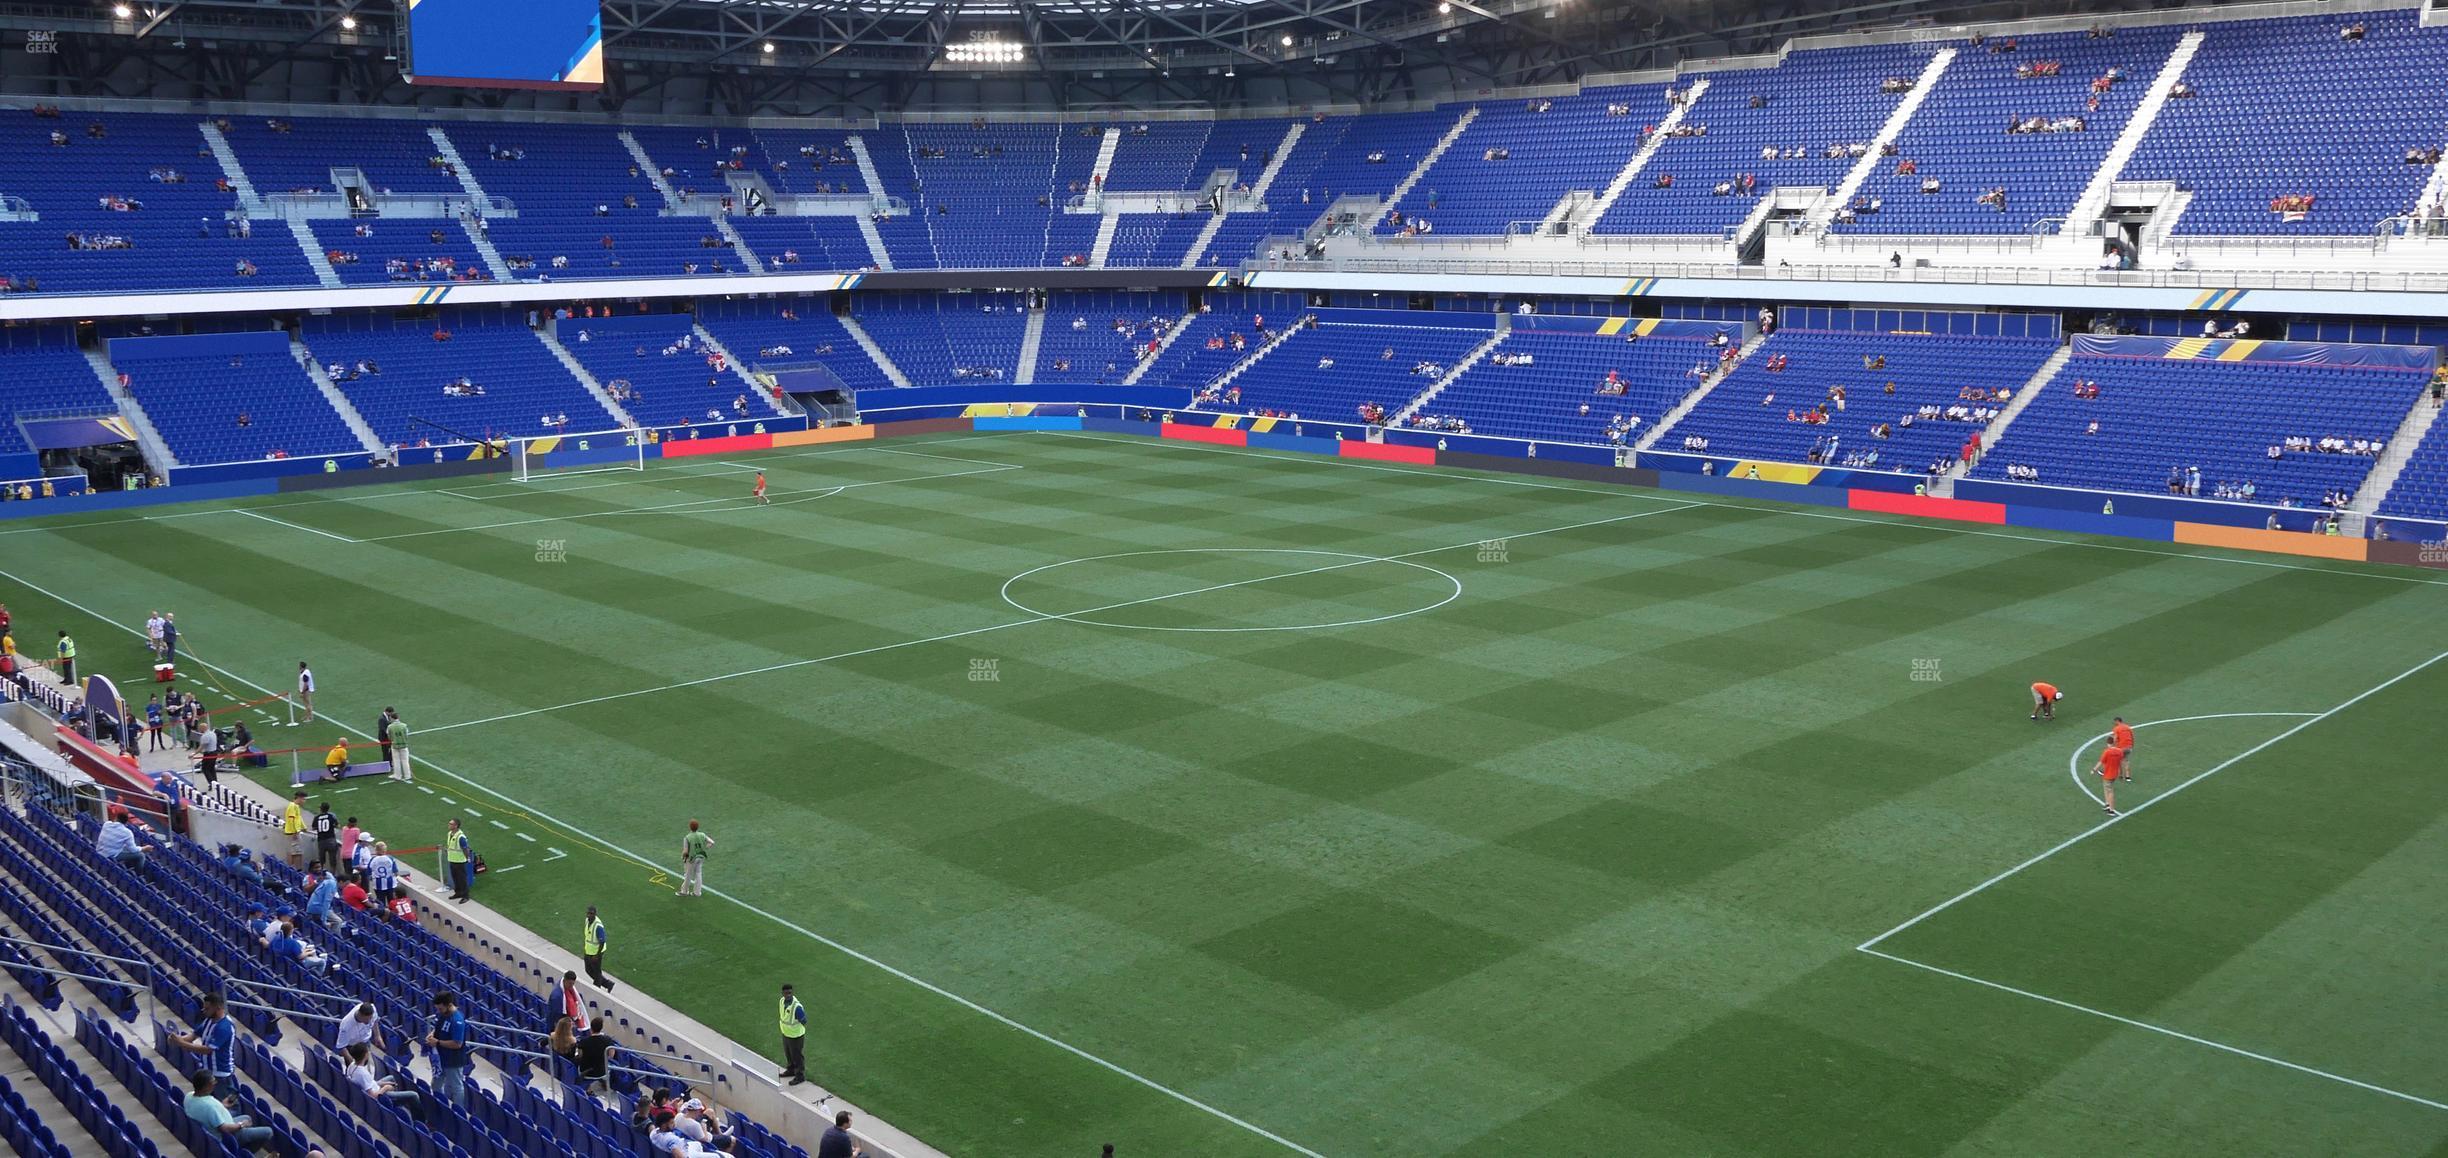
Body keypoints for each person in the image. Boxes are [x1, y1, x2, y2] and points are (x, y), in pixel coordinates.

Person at [184, 1071, 274, 1152]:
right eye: (213, 1082)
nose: (215, 1083)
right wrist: (241, 1125)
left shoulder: (189, 1096)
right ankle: (245, 1153)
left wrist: (222, 1105)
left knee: (247, 1117)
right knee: (268, 1131)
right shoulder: (210, 1106)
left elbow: (208, 1112)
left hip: (210, 1129)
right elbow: (224, 1129)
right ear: (206, 1086)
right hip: (228, 1135)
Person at [169, 993, 240, 1095]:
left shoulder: (224, 1027)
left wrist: (181, 1043)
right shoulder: (209, 1021)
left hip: (220, 1074)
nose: (204, 1011)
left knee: (223, 1104)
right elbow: (193, 1035)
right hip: (207, 1071)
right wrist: (177, 1039)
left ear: (218, 1008)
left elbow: (207, 1050)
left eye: (207, 1008)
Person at [343, 1041, 424, 1121]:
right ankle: (419, 1120)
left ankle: (396, 1103)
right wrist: (386, 1088)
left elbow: (369, 1083)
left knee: (390, 1078)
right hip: (380, 1096)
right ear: (365, 1055)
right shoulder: (362, 1074)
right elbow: (373, 1096)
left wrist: (383, 1083)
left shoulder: (352, 1066)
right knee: (414, 1095)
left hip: (374, 1087)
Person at [424, 992, 470, 1107]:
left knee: (456, 1087)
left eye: (440, 1008)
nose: (439, 1011)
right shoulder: (443, 1014)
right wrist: (432, 1034)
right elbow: (438, 1028)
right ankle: (438, 1107)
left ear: (449, 1005)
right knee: (436, 1085)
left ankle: (459, 1112)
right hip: (441, 1058)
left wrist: (438, 1042)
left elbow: (457, 1043)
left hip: (453, 1060)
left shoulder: (457, 1020)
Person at [574, 1015, 614, 1092]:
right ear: (601, 1028)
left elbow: (580, 1055)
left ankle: (589, 1089)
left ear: (591, 1028)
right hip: (602, 1071)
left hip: (586, 1071)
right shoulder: (608, 1040)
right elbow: (611, 1055)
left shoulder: (584, 1041)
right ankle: (605, 1083)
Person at [778, 983, 808, 1085]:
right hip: (786, 1033)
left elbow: (804, 1020)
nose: (788, 995)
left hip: (796, 1036)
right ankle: (790, 1070)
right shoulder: (782, 1001)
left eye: (790, 993)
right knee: (788, 1054)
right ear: (783, 993)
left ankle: (800, 1076)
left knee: (797, 1057)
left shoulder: (797, 1007)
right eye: (786, 993)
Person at [580, 905, 616, 990]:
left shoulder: (598, 926)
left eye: (591, 913)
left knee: (597, 972)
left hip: (596, 952)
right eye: (588, 913)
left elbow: (602, 941)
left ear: (595, 914)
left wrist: (597, 955)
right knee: (588, 970)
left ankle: (596, 989)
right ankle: (608, 984)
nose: (589, 915)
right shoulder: (587, 921)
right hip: (588, 951)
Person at [679, 819, 714, 897]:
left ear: (690, 827)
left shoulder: (687, 837)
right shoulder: (702, 834)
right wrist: (706, 847)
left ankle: (684, 891)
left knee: (688, 875)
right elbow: (712, 842)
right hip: (701, 856)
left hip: (691, 859)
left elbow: (685, 851)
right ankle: (697, 892)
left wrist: (683, 857)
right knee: (698, 873)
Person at [2092, 740, 2128, 816]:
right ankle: (2107, 804)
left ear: (2108, 743)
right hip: (2115, 774)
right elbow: (2121, 763)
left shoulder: (2107, 752)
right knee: (2106, 788)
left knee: (2110, 791)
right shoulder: (2119, 751)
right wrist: (2121, 774)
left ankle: (2111, 810)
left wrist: (2094, 770)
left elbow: (2100, 762)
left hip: (2108, 774)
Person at [443, 820, 473, 902]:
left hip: (459, 861)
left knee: (462, 879)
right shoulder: (450, 833)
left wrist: (468, 858)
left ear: (456, 826)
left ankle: (465, 896)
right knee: (455, 878)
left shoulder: (461, 837)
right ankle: (458, 893)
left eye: (451, 824)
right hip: (452, 859)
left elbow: (465, 848)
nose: (448, 825)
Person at [281, 790, 308, 868]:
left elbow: (299, 818)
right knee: (295, 852)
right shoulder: (292, 806)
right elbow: (291, 819)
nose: (304, 801)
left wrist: (304, 827)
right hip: (293, 833)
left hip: (294, 832)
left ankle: (295, 869)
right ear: (299, 798)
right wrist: (295, 832)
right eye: (303, 799)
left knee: (297, 852)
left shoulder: (295, 806)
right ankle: (295, 869)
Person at [312, 801, 340, 869]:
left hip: (321, 840)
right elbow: (338, 825)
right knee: (333, 859)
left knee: (321, 859)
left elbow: (313, 828)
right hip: (331, 839)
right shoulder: (331, 816)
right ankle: (333, 874)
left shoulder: (317, 817)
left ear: (321, 809)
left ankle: (321, 873)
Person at [2109, 715, 2136, 782]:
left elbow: (2115, 738)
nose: (2114, 723)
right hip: (2129, 747)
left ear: (2117, 721)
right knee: (2126, 761)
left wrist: (2112, 746)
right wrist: (2132, 746)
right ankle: (2128, 777)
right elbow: (2132, 737)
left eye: (2114, 722)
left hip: (2121, 747)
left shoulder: (2116, 728)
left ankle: (2120, 775)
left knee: (2117, 760)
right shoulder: (2128, 727)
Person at [388, 714, 413, 783]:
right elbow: (407, 734)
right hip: (404, 745)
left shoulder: (390, 727)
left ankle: (398, 775)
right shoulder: (404, 725)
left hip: (395, 745)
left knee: (396, 761)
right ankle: (407, 775)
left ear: (392, 718)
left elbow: (389, 736)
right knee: (405, 761)